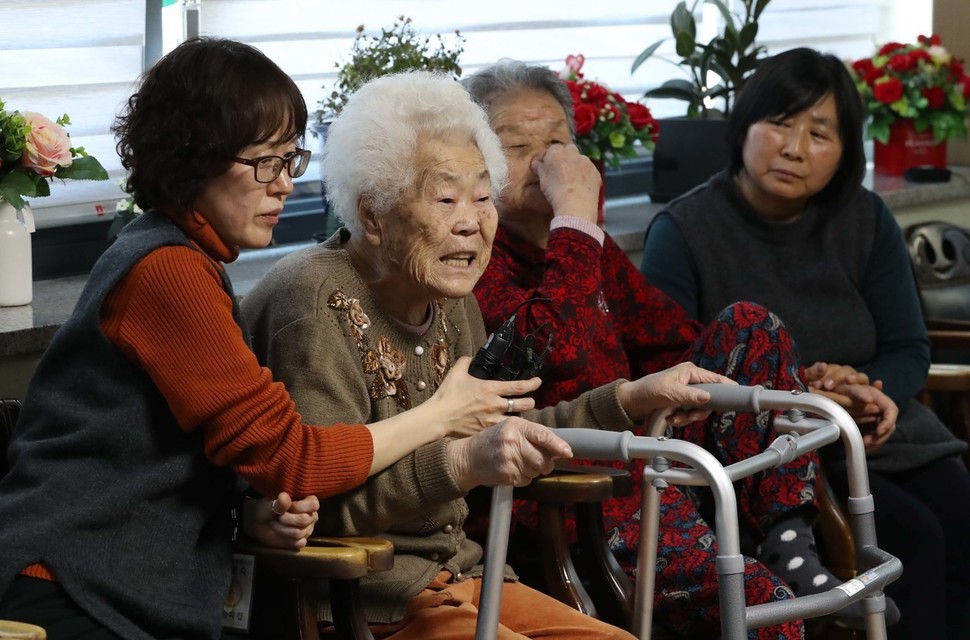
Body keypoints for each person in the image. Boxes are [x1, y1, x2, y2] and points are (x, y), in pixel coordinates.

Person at [0, 38, 552, 640]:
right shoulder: (167, 272)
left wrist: (254, 513)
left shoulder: (190, 262)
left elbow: (203, 458)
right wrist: (444, 415)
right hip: (69, 588)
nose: (284, 184)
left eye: (291, 159)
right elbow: (294, 459)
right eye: (265, 162)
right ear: (195, 159)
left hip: (130, 589)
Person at [240, 70, 734, 640]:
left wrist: (629, 399)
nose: (472, 223)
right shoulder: (314, 303)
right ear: (373, 214)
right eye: (446, 198)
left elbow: (503, 433)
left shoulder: (450, 296)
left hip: (464, 577)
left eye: (482, 196)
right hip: (361, 602)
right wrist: (459, 463)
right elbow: (313, 506)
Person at [462, 58, 900, 638]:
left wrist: (791, 383)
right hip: (575, 486)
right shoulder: (476, 258)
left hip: (648, 455)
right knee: (765, 611)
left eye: (559, 143)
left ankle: (791, 545)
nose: (547, 161)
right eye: (518, 146)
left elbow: (672, 343)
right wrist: (574, 217)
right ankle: (774, 577)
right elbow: (554, 351)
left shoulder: (588, 248)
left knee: (751, 324)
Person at [641, 47, 970, 640]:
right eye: (780, 123)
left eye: (820, 132)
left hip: (876, 433)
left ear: (845, 152)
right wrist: (804, 396)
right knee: (913, 535)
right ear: (743, 126)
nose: (794, 148)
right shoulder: (684, 231)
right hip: (774, 455)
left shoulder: (865, 218)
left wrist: (867, 391)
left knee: (962, 515)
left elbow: (907, 345)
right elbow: (671, 373)